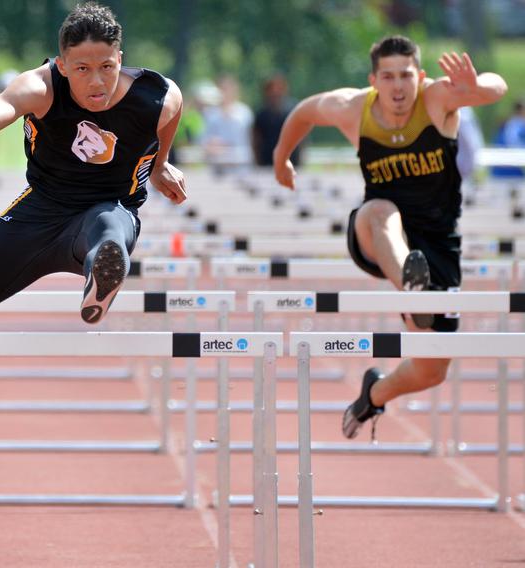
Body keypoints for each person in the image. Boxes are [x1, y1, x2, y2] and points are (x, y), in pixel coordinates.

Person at [273, 35, 507, 440]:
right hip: (376, 236)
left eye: (405, 76)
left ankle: (375, 392)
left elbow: (497, 87)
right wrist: (281, 158)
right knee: (380, 210)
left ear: (420, 76)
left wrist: (476, 87)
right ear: (374, 80)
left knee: (431, 369)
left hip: (435, 246)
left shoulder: (437, 99)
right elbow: (304, 111)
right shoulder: (353, 108)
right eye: (388, 77)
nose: (398, 87)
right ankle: (413, 292)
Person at [0, 1, 186, 333]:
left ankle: (103, 273)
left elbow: (170, 116)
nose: (97, 81)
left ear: (119, 60)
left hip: (108, 210)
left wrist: (160, 163)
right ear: (62, 65)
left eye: (106, 67)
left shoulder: (157, 98)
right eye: (82, 69)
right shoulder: (41, 88)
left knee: (109, 226)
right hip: (37, 213)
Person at [202, 74, 253, 173]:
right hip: (218, 171)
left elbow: (251, 140)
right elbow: (204, 141)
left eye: (227, 89)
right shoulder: (209, 114)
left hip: (241, 168)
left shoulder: (244, 112)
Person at [254, 73, 299, 167]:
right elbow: (256, 140)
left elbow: (302, 138)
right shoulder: (261, 114)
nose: (275, 92)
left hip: (292, 163)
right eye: (271, 89)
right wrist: (258, 162)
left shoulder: (293, 110)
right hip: (267, 164)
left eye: (279, 88)